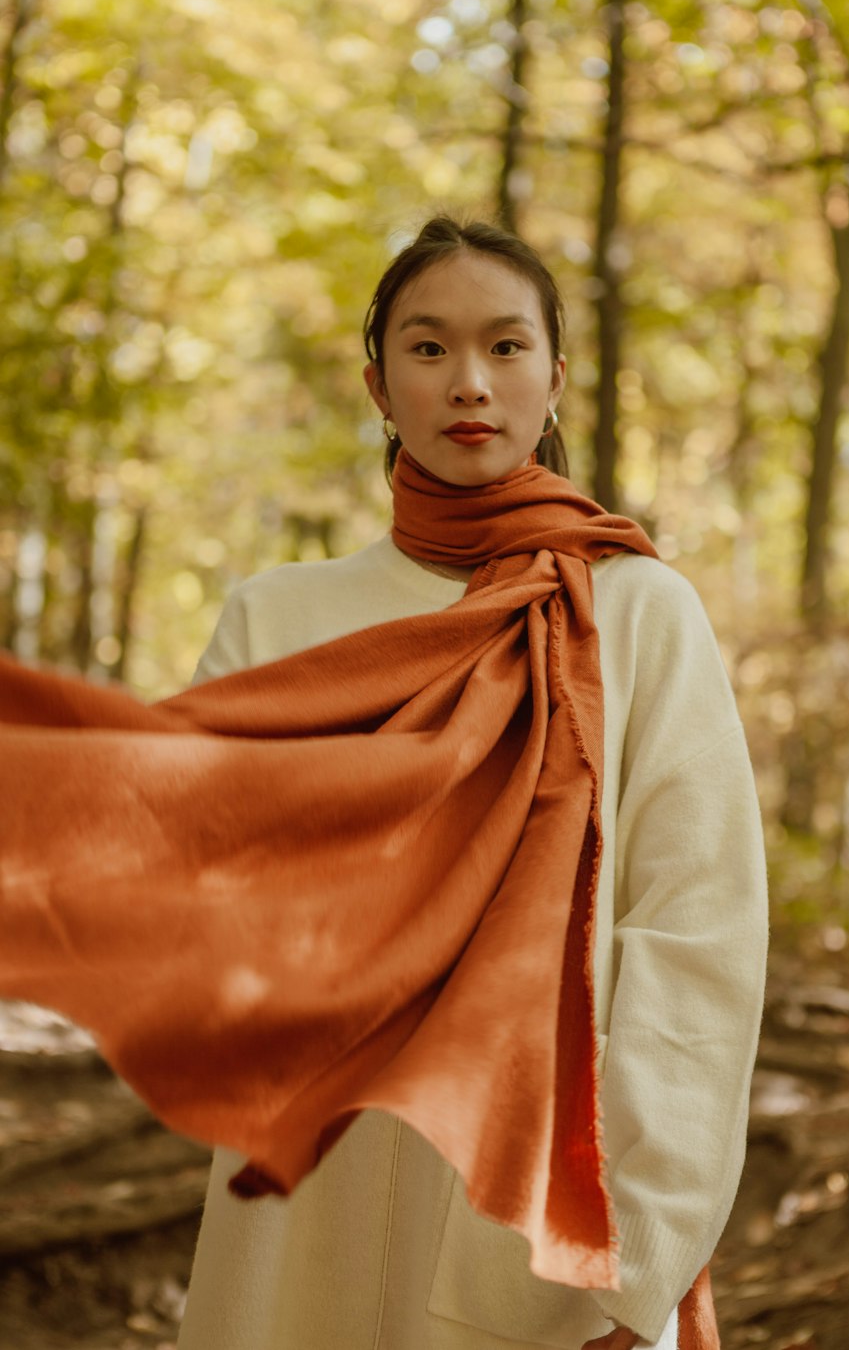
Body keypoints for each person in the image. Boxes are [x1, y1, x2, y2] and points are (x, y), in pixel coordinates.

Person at [175, 215, 769, 1350]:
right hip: (309, 1189)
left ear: (555, 377)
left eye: (505, 347)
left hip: (546, 1202)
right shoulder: (274, 615)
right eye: (428, 347)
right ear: (378, 384)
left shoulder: (640, 613)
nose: (470, 383)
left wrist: (639, 1248)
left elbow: (698, 936)